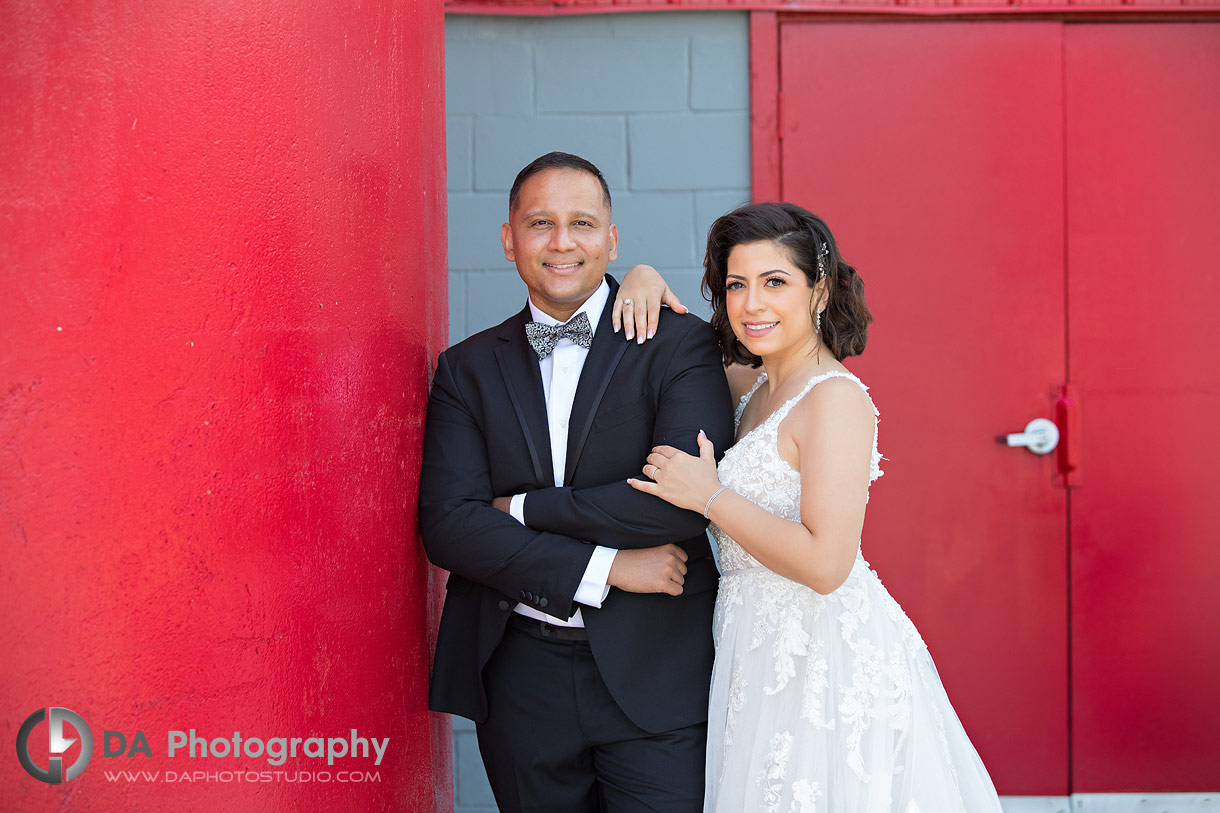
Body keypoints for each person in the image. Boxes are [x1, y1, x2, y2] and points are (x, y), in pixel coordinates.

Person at [618, 202, 1002, 811]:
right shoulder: (753, 387)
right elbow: (678, 342)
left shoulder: (836, 402)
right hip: (752, 645)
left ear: (818, 290)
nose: (750, 304)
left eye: (775, 282)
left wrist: (709, 497)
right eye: (735, 285)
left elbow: (828, 565)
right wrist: (639, 275)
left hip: (824, 652)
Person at [418, 151, 734, 812]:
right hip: (518, 676)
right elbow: (449, 525)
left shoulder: (678, 345)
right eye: (540, 223)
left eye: (583, 223)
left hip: (657, 674)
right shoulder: (466, 369)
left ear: (612, 239)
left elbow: (678, 507)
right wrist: (606, 567)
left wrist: (523, 508)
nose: (562, 242)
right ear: (509, 240)